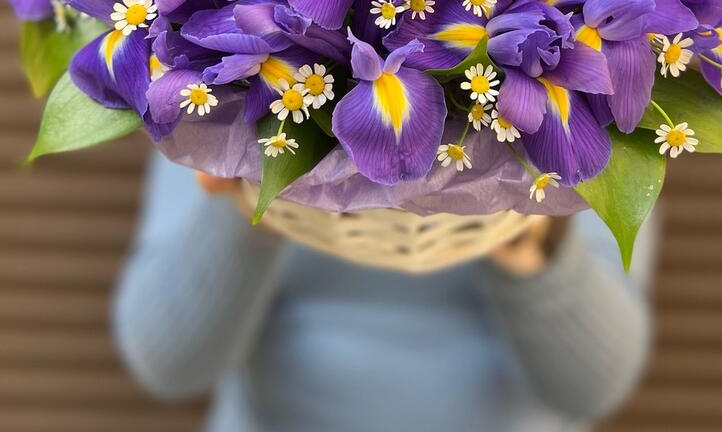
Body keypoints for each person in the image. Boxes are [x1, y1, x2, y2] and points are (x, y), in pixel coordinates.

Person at [114, 154, 655, 431]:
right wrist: (251, 199)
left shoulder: (580, 75)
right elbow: (168, 362)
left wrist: (525, 230)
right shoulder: (219, 81)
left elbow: (594, 385)